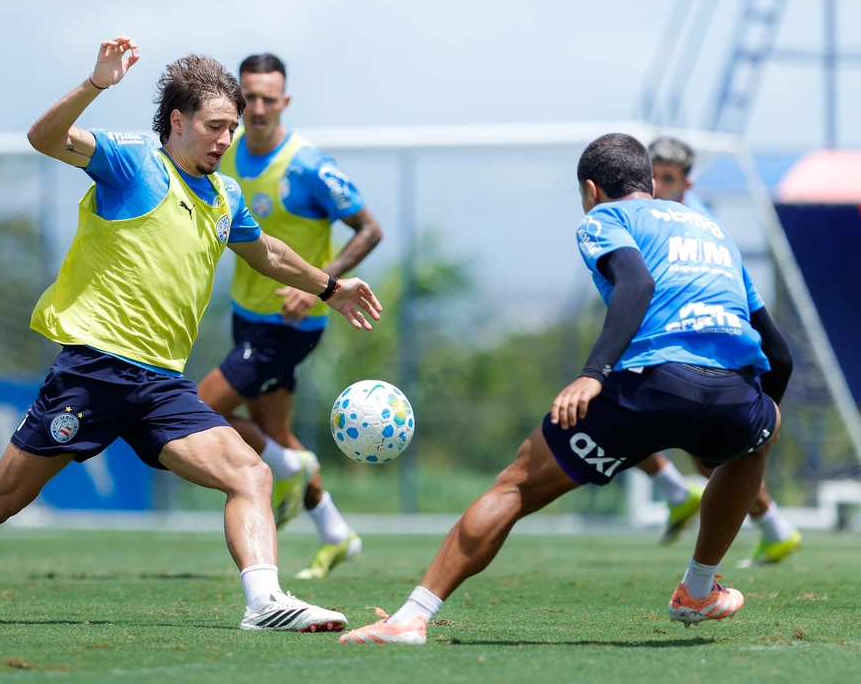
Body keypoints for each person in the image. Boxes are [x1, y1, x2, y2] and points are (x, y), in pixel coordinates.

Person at [0, 37, 382, 632]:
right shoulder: (132, 162)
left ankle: (265, 603)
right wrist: (95, 85)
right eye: (216, 126)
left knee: (250, 472)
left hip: (162, 387)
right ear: (178, 122)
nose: (228, 139)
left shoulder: (225, 194)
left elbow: (267, 252)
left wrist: (331, 286)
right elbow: (43, 139)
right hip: (94, 371)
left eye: (232, 128)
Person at [340, 133, 793, 645]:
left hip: (651, 384)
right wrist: (761, 420)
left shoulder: (606, 218)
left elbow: (636, 285)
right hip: (734, 392)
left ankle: (409, 617)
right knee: (756, 441)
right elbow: (779, 354)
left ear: (591, 189)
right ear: (649, 182)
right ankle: (697, 590)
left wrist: (593, 373)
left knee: (514, 487)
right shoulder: (713, 229)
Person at [197, 53, 383, 580]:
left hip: (291, 324)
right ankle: (335, 532)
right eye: (248, 98)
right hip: (245, 314)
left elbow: (369, 229)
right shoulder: (223, 152)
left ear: (285, 102)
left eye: (268, 99)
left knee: (197, 411)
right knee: (273, 432)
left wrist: (323, 284)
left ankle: (284, 468)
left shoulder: (307, 165)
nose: (257, 108)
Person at [638, 137, 802, 567]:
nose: (657, 184)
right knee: (709, 457)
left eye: (667, 177)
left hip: (708, 346)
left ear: (687, 182)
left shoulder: (696, 221)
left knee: (616, 412)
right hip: (678, 345)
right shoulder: (650, 217)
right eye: (651, 174)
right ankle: (772, 528)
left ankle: (685, 501)